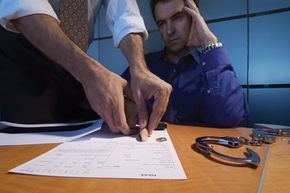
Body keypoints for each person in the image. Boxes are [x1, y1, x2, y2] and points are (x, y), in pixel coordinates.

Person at [0, 0, 172, 136]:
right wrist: (91, 73)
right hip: (20, 65)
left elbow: (126, 15)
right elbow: (23, 7)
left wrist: (139, 68)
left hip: (77, 72)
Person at [122, 0, 248, 127]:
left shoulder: (210, 66)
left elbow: (231, 116)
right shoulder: (143, 66)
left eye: (177, 17)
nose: (169, 31)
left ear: (193, 18)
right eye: (162, 23)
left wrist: (209, 43)